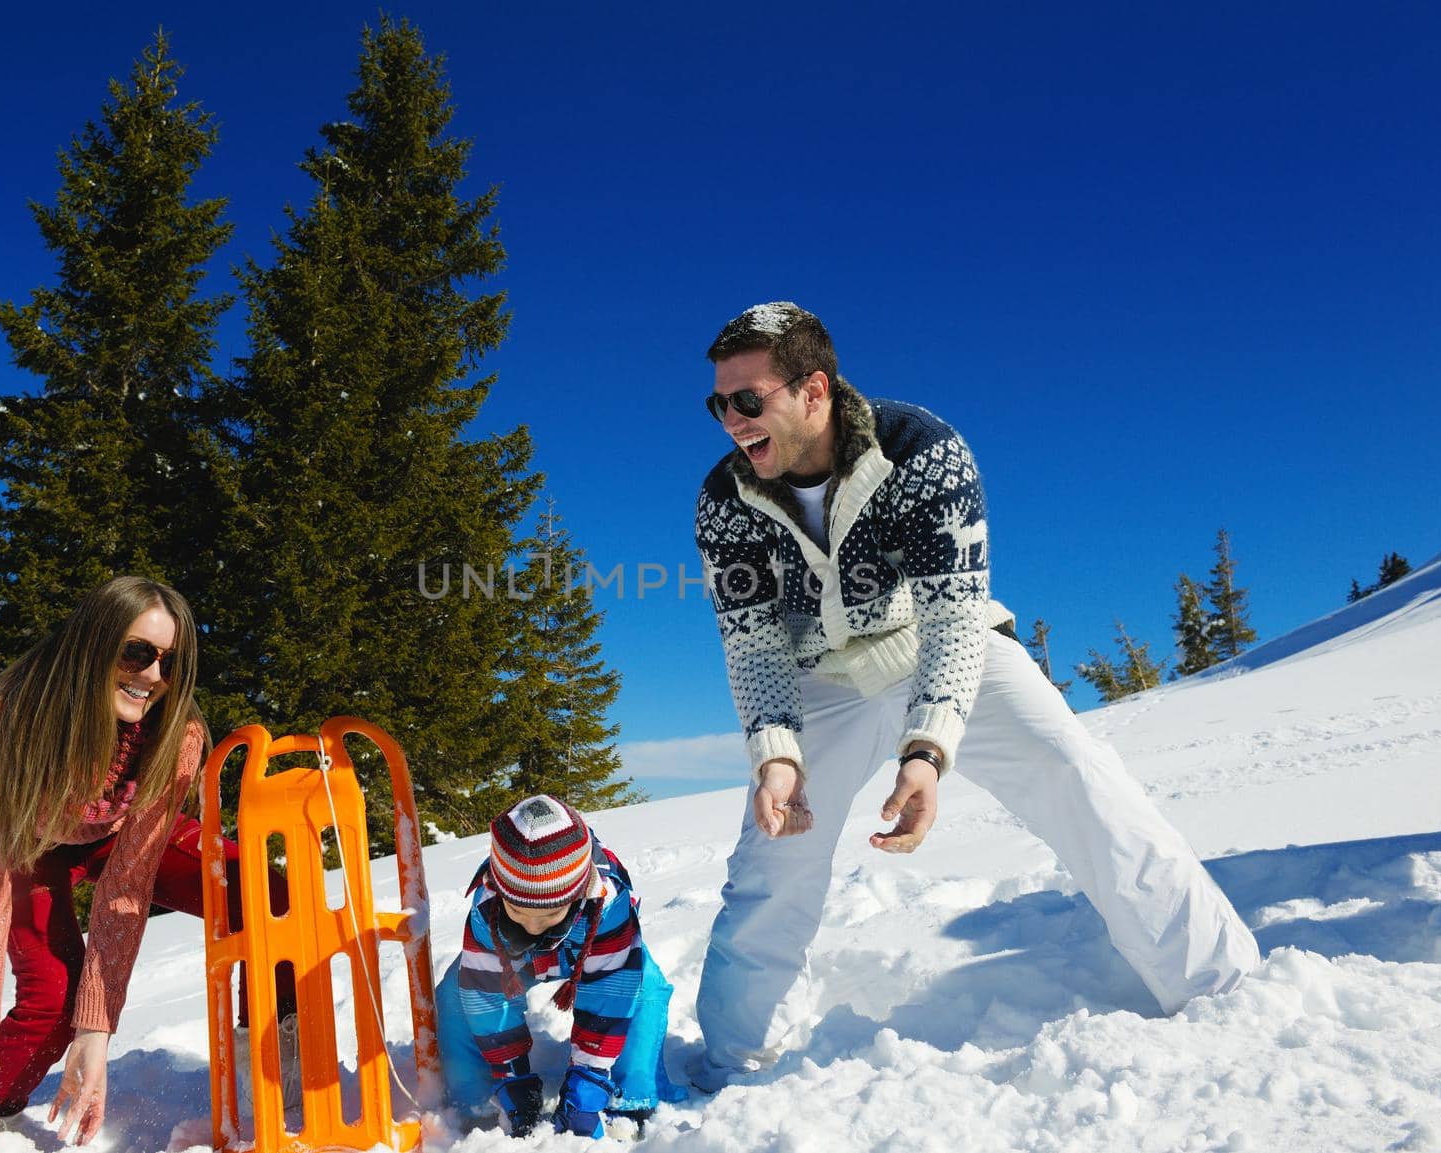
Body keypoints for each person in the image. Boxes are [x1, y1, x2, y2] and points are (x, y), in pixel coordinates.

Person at [690, 302, 1261, 1089]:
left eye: (747, 400)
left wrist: (926, 749)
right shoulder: (725, 501)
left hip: (939, 647)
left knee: (1074, 772)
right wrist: (777, 756)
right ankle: (729, 1064)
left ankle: (1224, 986)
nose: (730, 420)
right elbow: (752, 642)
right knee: (774, 852)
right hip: (821, 679)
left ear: (813, 390)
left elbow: (954, 614)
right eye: (718, 402)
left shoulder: (921, 451)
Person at [0, 575, 292, 1152]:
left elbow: (128, 887)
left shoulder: (176, 731)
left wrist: (98, 1029)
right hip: (27, 844)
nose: (152, 676)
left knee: (263, 892)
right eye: (136, 651)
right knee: (54, 992)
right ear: (91, 642)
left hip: (117, 840)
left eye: (171, 661)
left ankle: (273, 1062)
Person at [434, 794, 684, 1139]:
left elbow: (610, 997)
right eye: (519, 913)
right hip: (514, 958)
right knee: (457, 994)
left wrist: (588, 1083)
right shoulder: (488, 906)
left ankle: (629, 1098)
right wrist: (512, 1079)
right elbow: (485, 997)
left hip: (592, 943)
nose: (533, 928)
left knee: (644, 989)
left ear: (579, 895)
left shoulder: (608, 904)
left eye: (549, 915)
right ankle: (479, 1099)